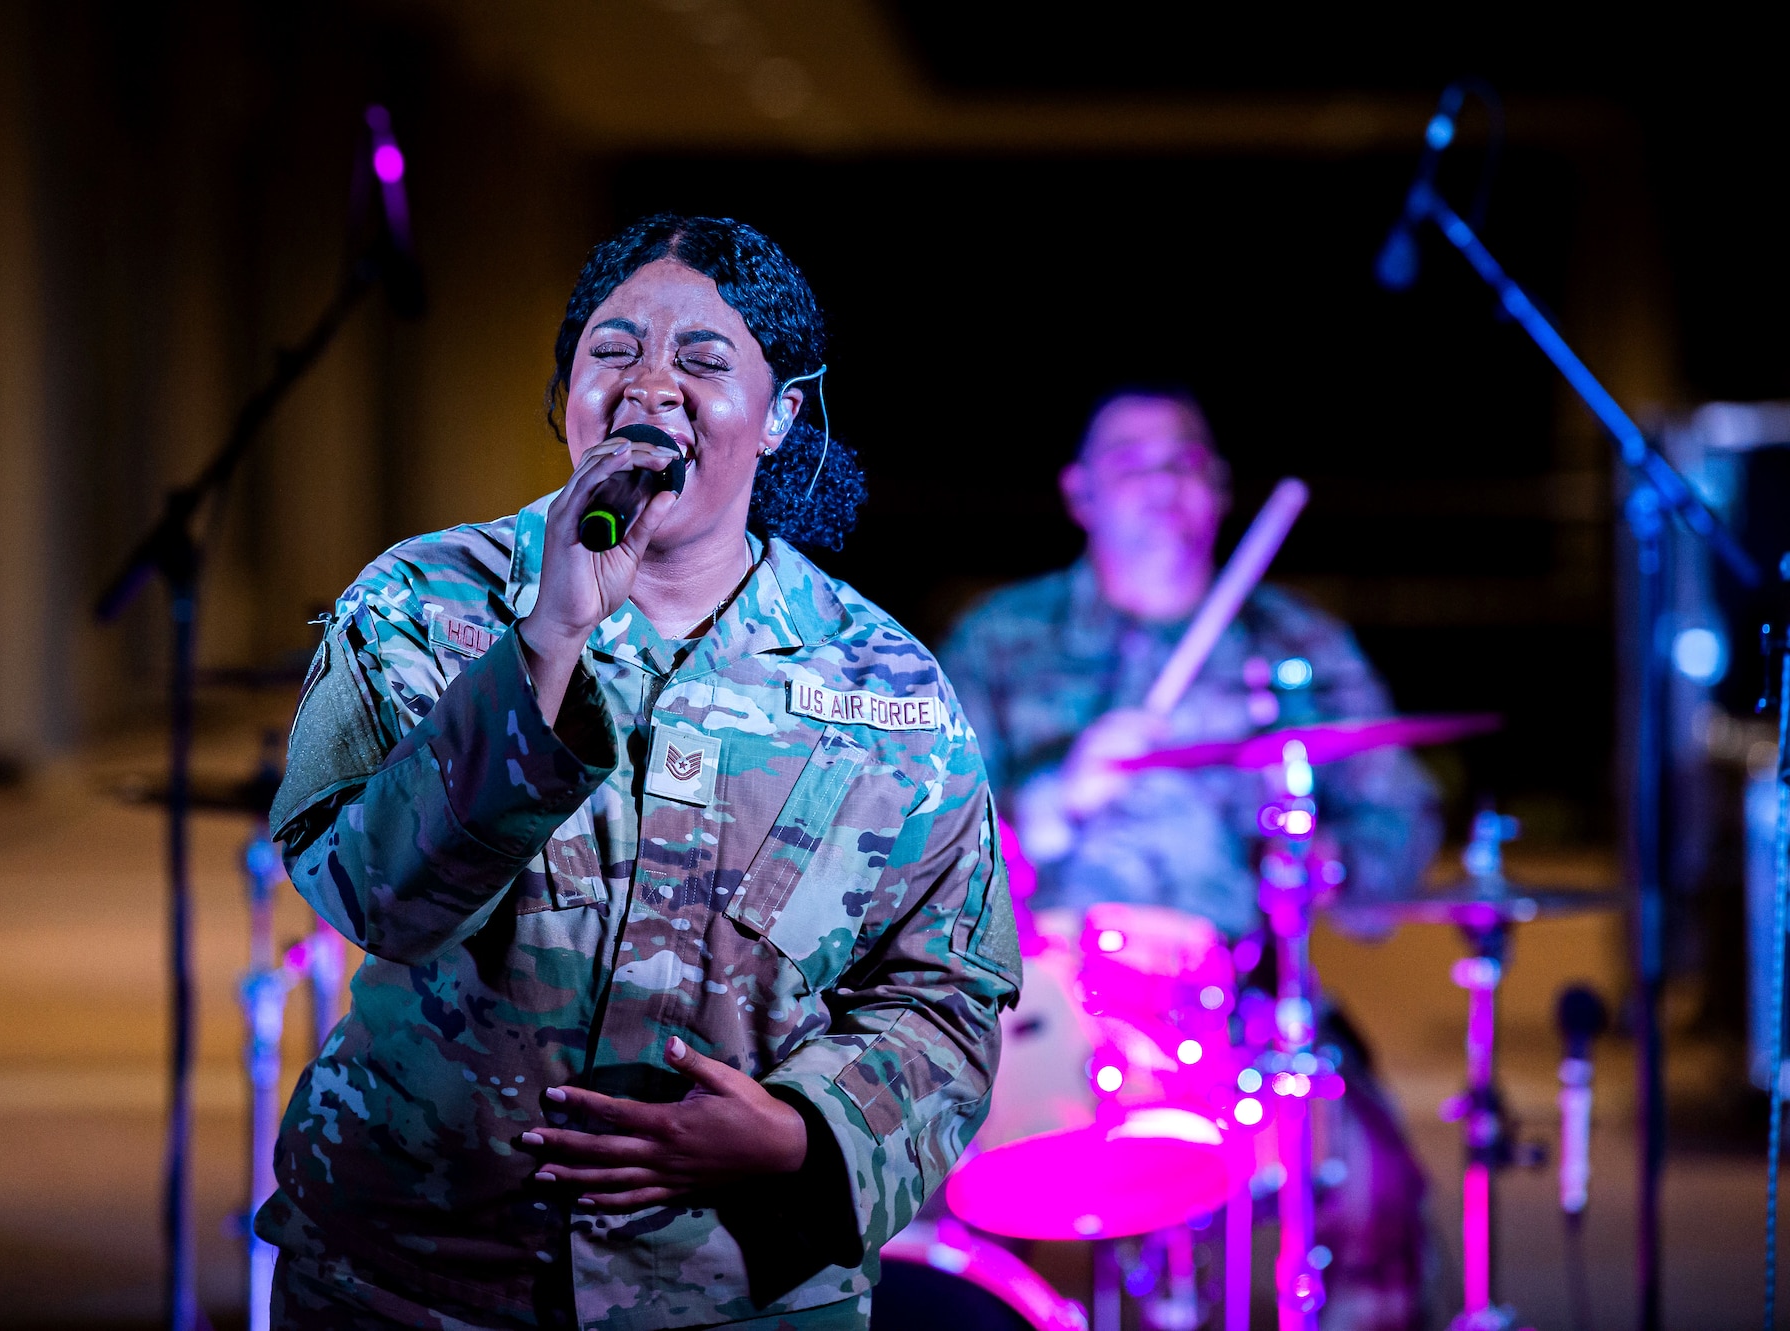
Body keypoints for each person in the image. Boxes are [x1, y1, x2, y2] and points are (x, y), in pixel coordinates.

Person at [256, 214, 1021, 1331]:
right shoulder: (421, 601)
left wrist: (802, 1134)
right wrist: (545, 640)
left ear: (778, 417)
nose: (649, 384)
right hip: (411, 1279)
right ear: (567, 389)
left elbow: (945, 993)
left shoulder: (887, 684)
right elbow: (375, 894)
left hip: (725, 1292)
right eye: (612, 350)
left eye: (703, 361)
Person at [940, 388, 1438, 1331]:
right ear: (1079, 492)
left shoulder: (1298, 644)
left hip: (1242, 994)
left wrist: (1331, 863)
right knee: (926, 1197)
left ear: (1217, 493)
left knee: (1372, 1192)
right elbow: (911, 853)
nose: (1161, 484)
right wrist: (1051, 805)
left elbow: (1398, 812)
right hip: (1043, 1003)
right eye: (1130, 463)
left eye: (1184, 463)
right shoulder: (1001, 642)